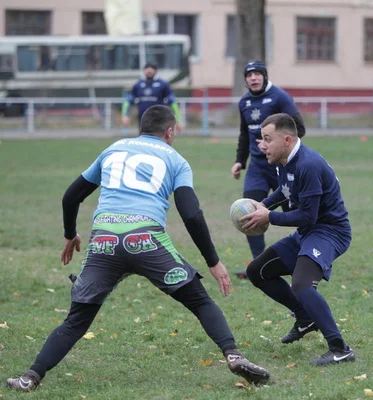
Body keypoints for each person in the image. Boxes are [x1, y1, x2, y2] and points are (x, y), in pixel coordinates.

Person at [6, 105, 269, 392]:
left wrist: (71, 234)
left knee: (77, 321)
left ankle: (30, 377)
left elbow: (71, 196)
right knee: (200, 301)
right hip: (146, 241)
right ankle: (233, 355)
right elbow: (191, 214)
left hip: (104, 242)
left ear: (140, 128)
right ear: (170, 131)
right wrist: (214, 261)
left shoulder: (114, 149)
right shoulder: (176, 160)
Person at [240, 113, 354, 366]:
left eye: (267, 139)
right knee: (257, 271)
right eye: (261, 139)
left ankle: (340, 349)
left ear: (287, 139)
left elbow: (308, 216)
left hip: (329, 231)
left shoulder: (308, 165)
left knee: (302, 284)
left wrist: (268, 216)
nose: (262, 145)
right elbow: (286, 189)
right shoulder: (284, 160)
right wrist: (264, 204)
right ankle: (305, 318)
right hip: (308, 232)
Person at [231, 60, 306, 279]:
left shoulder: (280, 97)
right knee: (249, 212)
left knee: (295, 214)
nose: (253, 78)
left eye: (257, 74)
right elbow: (245, 134)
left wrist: (279, 148)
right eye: (249, 75)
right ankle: (258, 265)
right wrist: (239, 161)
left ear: (264, 76)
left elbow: (299, 128)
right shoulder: (244, 102)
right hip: (257, 167)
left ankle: (306, 260)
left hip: (282, 165)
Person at [121, 62, 182, 130]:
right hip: (143, 119)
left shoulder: (163, 84)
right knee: (143, 139)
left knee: (158, 138)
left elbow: (173, 102)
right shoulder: (138, 85)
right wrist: (125, 116)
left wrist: (178, 120)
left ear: (155, 71)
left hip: (159, 119)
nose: (149, 71)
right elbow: (128, 101)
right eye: (147, 69)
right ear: (144, 70)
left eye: (151, 69)